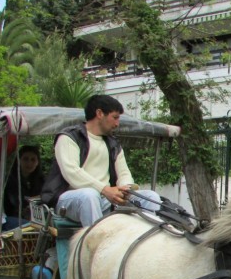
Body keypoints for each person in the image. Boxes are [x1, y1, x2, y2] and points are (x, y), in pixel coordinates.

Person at [40, 94, 160, 226]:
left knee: (151, 197)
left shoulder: (113, 143)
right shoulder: (69, 137)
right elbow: (72, 172)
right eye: (115, 117)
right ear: (99, 113)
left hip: (105, 198)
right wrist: (105, 190)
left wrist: (125, 189)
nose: (117, 124)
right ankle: (95, 243)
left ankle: (143, 243)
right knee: (89, 195)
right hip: (71, 199)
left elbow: (124, 173)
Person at [4, 145, 45, 218]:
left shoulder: (42, 180)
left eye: (33, 160)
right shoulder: (10, 179)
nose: (29, 163)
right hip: (14, 217)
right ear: (19, 160)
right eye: (25, 159)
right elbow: (14, 202)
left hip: (38, 216)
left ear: (37, 162)